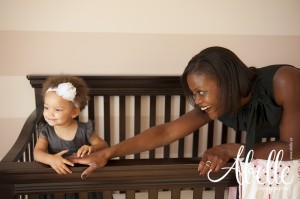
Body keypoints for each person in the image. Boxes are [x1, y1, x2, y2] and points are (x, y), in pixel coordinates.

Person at [70, 47, 300, 197]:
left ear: (226, 81)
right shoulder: (216, 104)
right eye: (195, 94)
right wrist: (108, 153)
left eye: (201, 92)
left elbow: (293, 147)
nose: (198, 101)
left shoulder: (284, 81)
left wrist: (230, 149)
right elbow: (166, 132)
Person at [34, 75, 108, 198]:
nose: (49, 113)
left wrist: (92, 148)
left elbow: (103, 145)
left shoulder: (84, 129)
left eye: (57, 109)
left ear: (74, 112)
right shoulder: (46, 131)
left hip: (83, 179)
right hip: (58, 177)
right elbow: (38, 152)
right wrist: (51, 159)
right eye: (46, 107)